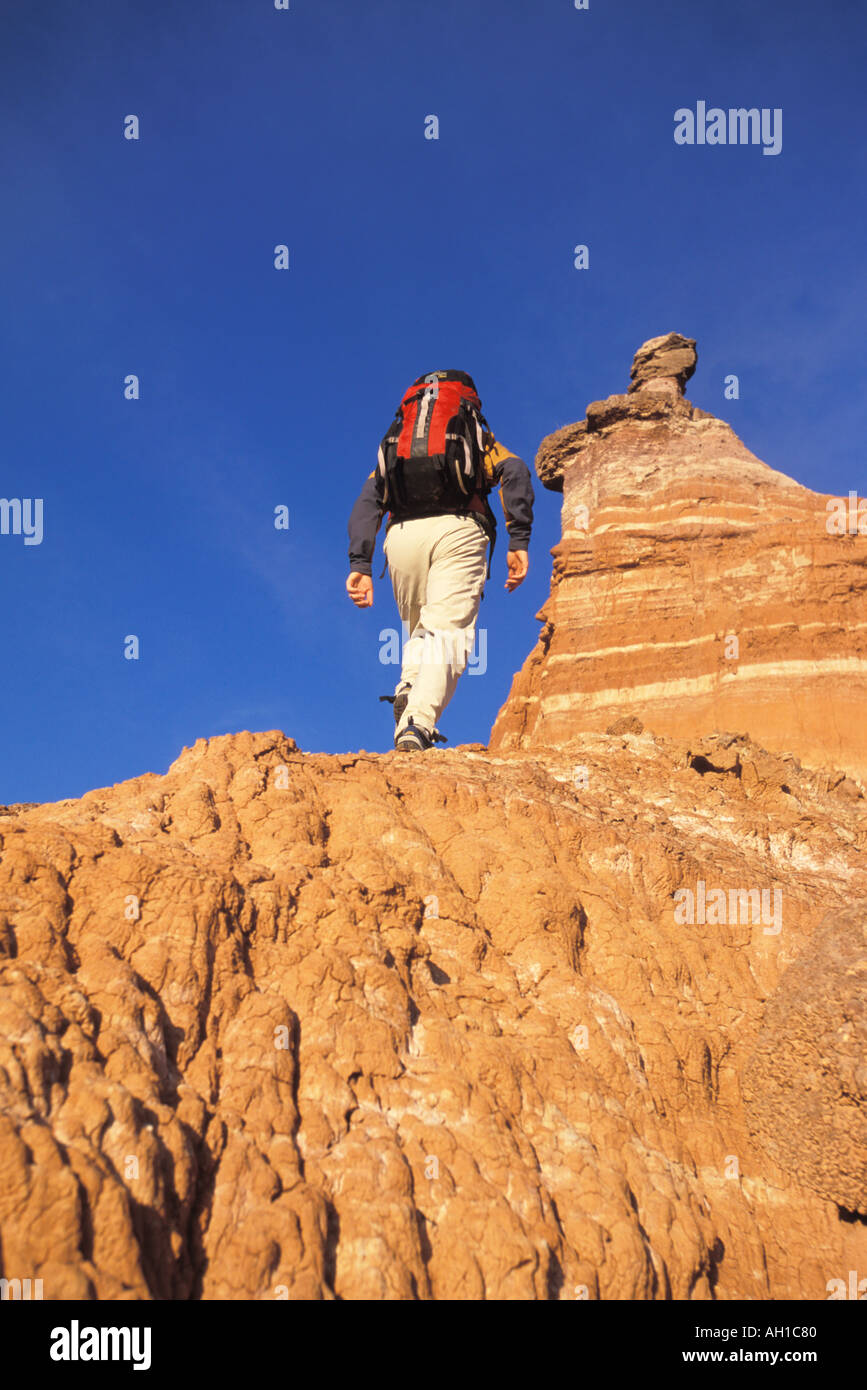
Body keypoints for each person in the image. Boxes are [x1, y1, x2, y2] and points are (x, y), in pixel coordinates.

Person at [346, 369, 534, 751]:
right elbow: (514, 470)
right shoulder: (476, 435)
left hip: (400, 538)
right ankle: (417, 723)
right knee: (446, 631)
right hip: (459, 529)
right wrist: (519, 538)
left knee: (420, 627)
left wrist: (359, 564)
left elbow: (368, 499)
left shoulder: (397, 443)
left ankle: (409, 687)